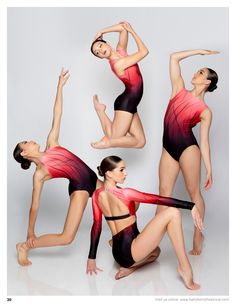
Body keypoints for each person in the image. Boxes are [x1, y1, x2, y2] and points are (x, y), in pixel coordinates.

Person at [13, 68, 103, 266]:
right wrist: (30, 232)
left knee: (129, 203)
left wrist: (59, 87)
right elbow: (34, 205)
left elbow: (57, 114)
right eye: (26, 142)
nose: (30, 140)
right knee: (66, 237)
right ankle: (25, 246)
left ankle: (119, 239)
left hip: (93, 180)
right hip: (79, 188)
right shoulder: (39, 174)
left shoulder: (51, 143)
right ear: (24, 153)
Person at [86, 156, 203, 290]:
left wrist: (91, 258)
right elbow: (158, 199)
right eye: (122, 170)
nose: (126, 173)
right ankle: (185, 268)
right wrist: (191, 206)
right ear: (109, 173)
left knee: (156, 252)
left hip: (117, 254)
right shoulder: (126, 193)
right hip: (130, 249)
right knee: (173, 212)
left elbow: (96, 226)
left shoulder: (96, 195)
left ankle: (130, 268)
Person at [157, 49, 219, 255]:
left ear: (207, 82)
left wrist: (209, 169)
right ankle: (153, 240)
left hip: (187, 148)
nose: (196, 73)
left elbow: (204, 142)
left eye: (201, 73)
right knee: (163, 194)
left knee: (194, 194)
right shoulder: (178, 89)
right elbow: (173, 57)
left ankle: (198, 235)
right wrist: (200, 52)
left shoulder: (204, 110)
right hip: (168, 147)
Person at [90, 21, 148, 149]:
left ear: (107, 43)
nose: (100, 51)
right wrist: (132, 31)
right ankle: (107, 139)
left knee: (140, 142)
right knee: (114, 137)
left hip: (132, 101)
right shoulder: (118, 64)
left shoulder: (121, 51)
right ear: (100, 58)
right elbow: (144, 52)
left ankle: (100, 110)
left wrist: (102, 31)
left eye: (100, 46)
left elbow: (123, 28)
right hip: (126, 101)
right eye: (97, 53)